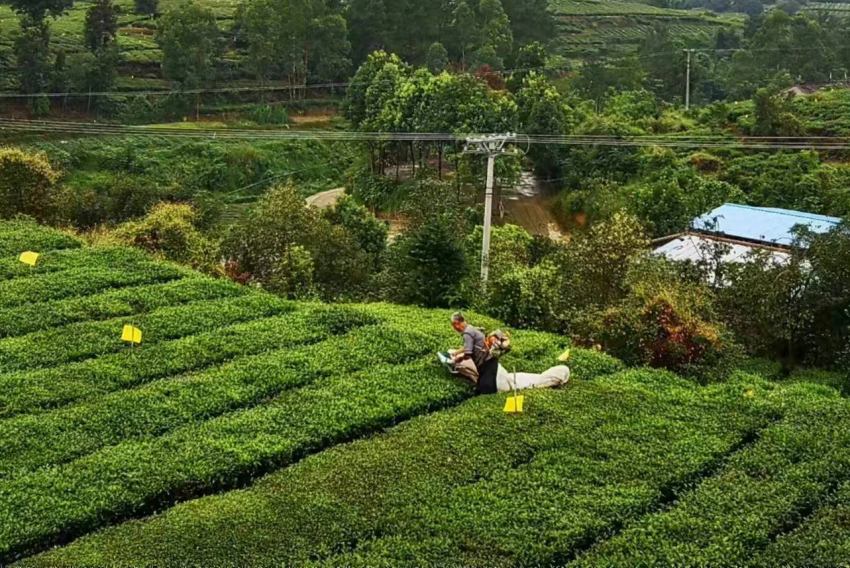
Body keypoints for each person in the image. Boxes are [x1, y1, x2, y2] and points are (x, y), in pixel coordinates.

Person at [450, 312, 500, 394]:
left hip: (487, 362)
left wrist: (459, 359)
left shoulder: (467, 333)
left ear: (456, 324)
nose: (454, 328)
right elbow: (470, 345)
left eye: (453, 326)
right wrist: (457, 352)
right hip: (490, 360)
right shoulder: (471, 328)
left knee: (486, 388)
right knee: (481, 387)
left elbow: (468, 353)